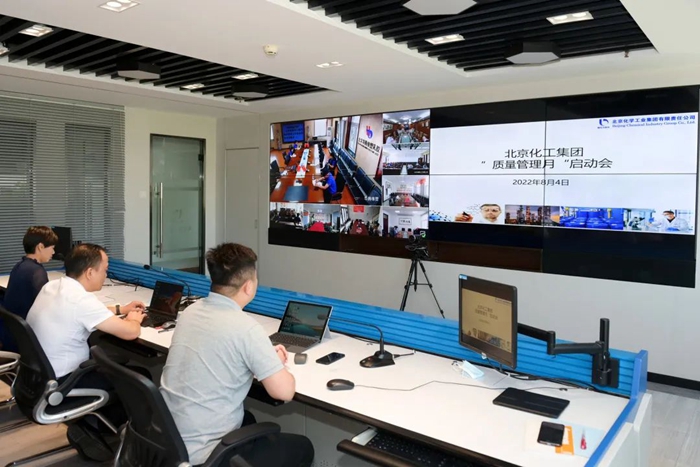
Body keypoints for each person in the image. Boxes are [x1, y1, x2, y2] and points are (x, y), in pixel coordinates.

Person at [160, 243, 314, 467]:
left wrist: (260, 358)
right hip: (203, 454)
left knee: (249, 419)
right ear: (248, 287)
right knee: (303, 447)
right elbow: (284, 392)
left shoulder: (190, 312)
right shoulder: (246, 329)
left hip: (168, 440)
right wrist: (275, 364)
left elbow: (217, 352)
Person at [26, 243, 146, 460]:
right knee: (140, 378)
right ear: (90, 272)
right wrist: (134, 319)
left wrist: (121, 309)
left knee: (118, 368)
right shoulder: (81, 301)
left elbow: (89, 312)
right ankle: (104, 431)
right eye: (105, 269)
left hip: (37, 378)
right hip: (65, 383)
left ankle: (93, 424)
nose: (106, 274)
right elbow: (130, 332)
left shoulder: (53, 287)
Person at [1, 226, 58, 351]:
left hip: (11, 333)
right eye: (52, 248)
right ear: (40, 247)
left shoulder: (19, 266)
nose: (53, 252)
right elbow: (47, 308)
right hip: (26, 338)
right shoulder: (37, 272)